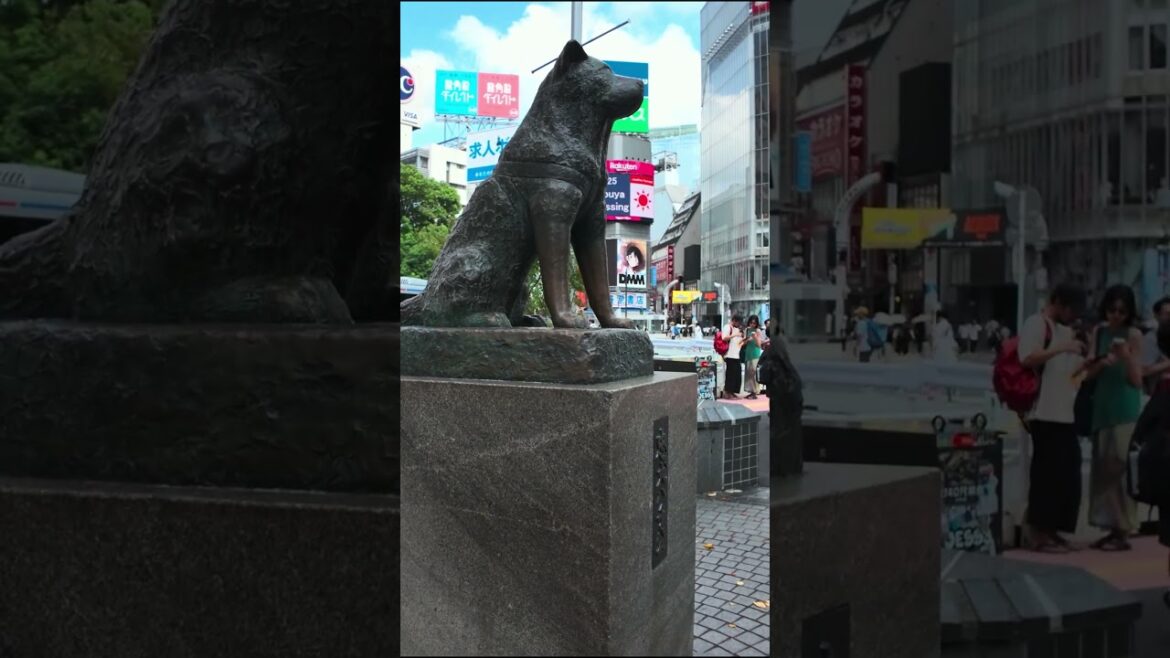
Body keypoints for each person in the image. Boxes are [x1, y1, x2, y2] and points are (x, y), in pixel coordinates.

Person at [1017, 283, 1088, 553]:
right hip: (1043, 411)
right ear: (1057, 302)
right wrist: (1061, 347)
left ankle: (1056, 528)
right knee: (1047, 474)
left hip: (1064, 411)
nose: (1073, 315)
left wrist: (1088, 365)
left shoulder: (1066, 331)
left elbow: (1070, 377)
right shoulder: (1037, 323)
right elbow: (1027, 357)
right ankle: (1039, 532)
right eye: (1070, 309)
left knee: (1068, 473)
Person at [1078, 285, 1144, 551]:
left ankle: (1124, 528)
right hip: (1102, 407)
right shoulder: (1100, 332)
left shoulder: (1134, 335)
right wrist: (1099, 363)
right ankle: (1108, 525)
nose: (1115, 316)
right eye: (1111, 310)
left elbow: (1136, 380)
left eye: (1121, 311)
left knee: (1120, 468)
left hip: (1125, 409)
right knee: (1102, 471)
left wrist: (1126, 356)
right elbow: (1086, 373)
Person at [1142, 296, 1170, 394]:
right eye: (1167, 314)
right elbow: (1143, 370)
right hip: (1159, 395)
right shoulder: (1151, 339)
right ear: (1157, 316)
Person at [721, 315, 746, 399]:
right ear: (734, 320)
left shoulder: (737, 330)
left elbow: (738, 343)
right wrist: (734, 334)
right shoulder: (727, 327)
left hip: (736, 355)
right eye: (738, 322)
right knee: (730, 375)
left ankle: (733, 391)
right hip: (729, 354)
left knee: (737, 375)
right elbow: (724, 338)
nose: (739, 324)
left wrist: (744, 340)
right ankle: (728, 392)